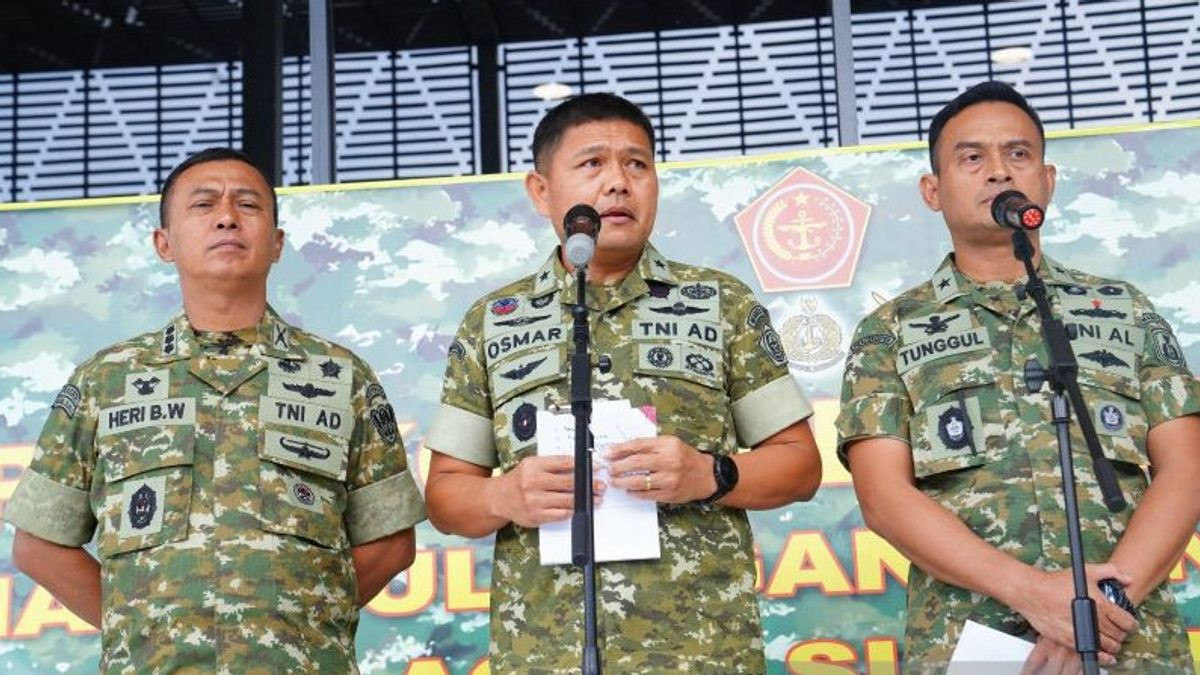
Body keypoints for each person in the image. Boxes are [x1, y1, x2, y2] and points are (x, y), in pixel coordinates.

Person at [422, 92, 822, 673]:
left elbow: (800, 465)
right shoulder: (493, 320)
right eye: (592, 163)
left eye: (637, 164)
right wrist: (501, 497)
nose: (618, 183)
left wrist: (709, 474)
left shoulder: (720, 303)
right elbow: (444, 495)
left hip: (701, 653)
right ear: (541, 191)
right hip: (543, 654)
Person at [4, 147, 426, 673]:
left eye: (247, 204)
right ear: (164, 243)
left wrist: (306, 625)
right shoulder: (105, 380)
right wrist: (140, 633)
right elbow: (39, 544)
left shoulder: (341, 376)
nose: (227, 216)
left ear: (276, 243)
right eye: (204, 205)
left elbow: (390, 540)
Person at [836, 81, 1200, 673]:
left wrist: (1096, 610)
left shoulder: (1124, 308)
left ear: (1047, 180)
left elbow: (1186, 468)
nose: (1000, 170)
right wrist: (1034, 594)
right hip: (973, 646)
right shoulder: (890, 330)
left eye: (1019, 153)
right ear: (933, 190)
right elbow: (883, 497)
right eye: (971, 157)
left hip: (1128, 643)